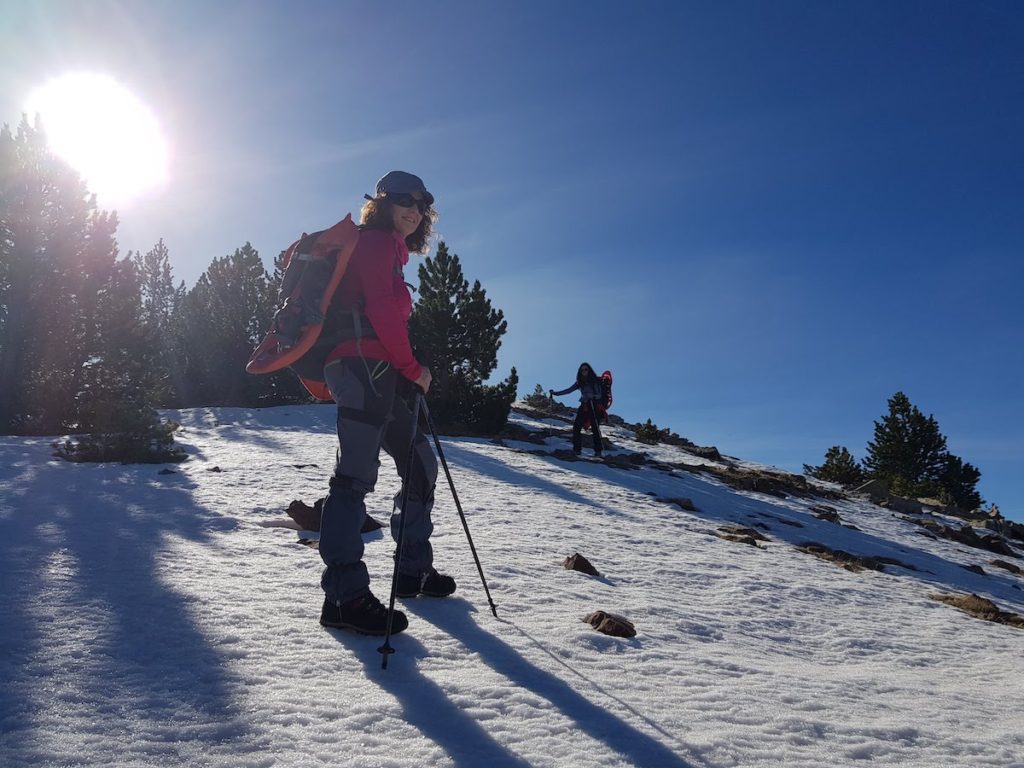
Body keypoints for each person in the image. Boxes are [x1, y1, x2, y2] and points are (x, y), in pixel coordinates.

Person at [317, 170, 456, 636]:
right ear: (381, 203)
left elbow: (384, 311)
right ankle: (344, 596)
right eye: (403, 200)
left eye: (421, 204)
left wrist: (406, 368)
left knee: (420, 464)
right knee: (354, 476)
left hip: (380, 370)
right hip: (362, 366)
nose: (414, 209)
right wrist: (414, 367)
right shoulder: (374, 244)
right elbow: (379, 309)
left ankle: (412, 570)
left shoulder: (392, 252)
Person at [550, 362, 606, 457]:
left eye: (586, 369)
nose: (584, 371)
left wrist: (592, 396)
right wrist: (555, 393)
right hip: (584, 405)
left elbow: (599, 395)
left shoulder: (595, 380)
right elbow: (568, 390)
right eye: (582, 370)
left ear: (589, 370)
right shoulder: (579, 382)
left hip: (593, 404)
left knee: (595, 428)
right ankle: (577, 450)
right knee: (576, 427)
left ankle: (598, 451)